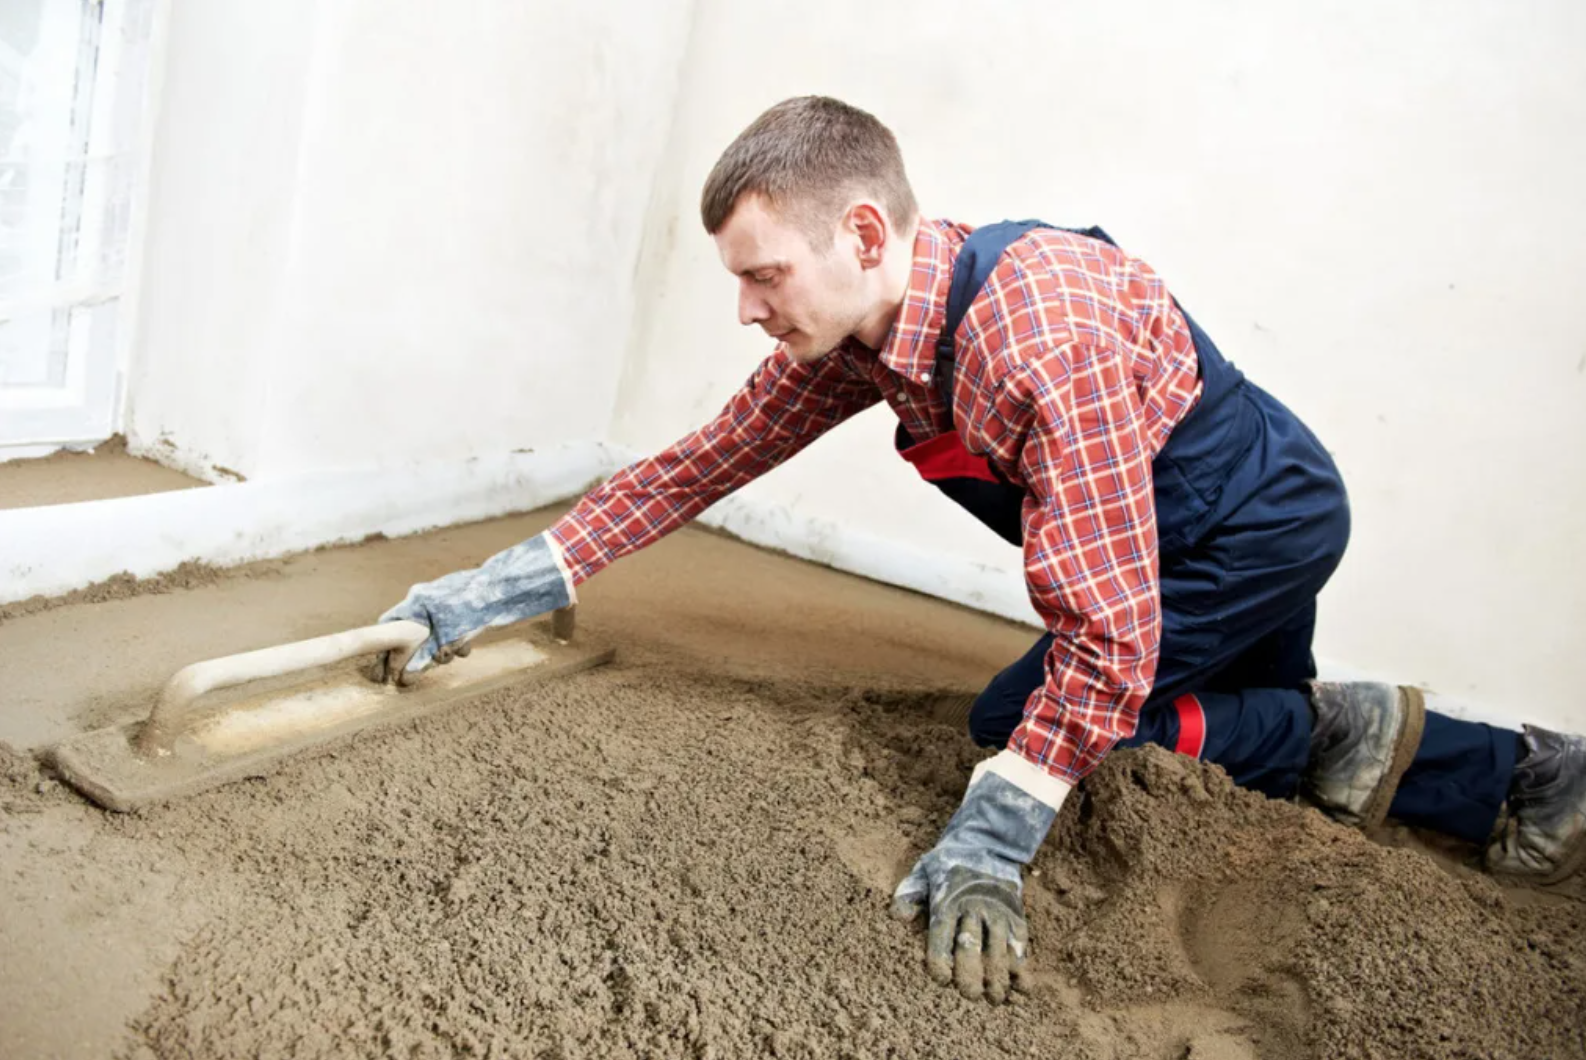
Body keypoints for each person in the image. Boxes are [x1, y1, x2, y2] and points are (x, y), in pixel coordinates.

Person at [377, 96, 1586, 1004]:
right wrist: (491, 590)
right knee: (1229, 725)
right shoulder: (860, 340)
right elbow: (699, 463)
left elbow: (1107, 628)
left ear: (860, 231)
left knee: (1025, 718)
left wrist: (994, 834)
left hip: (1244, 522)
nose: (746, 308)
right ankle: (1527, 772)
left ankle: (1340, 725)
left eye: (762, 275)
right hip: (1184, 528)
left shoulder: (1032, 333)